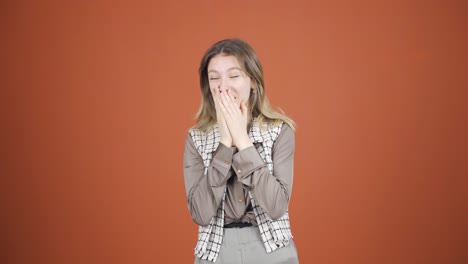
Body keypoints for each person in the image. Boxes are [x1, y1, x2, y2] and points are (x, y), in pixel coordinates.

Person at [183, 38, 299, 264]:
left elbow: (276, 207)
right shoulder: (196, 139)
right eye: (214, 77)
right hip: (215, 253)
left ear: (253, 81)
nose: (223, 86)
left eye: (234, 76)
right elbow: (200, 213)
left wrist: (243, 141)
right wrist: (225, 143)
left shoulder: (280, 131)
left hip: (272, 250)